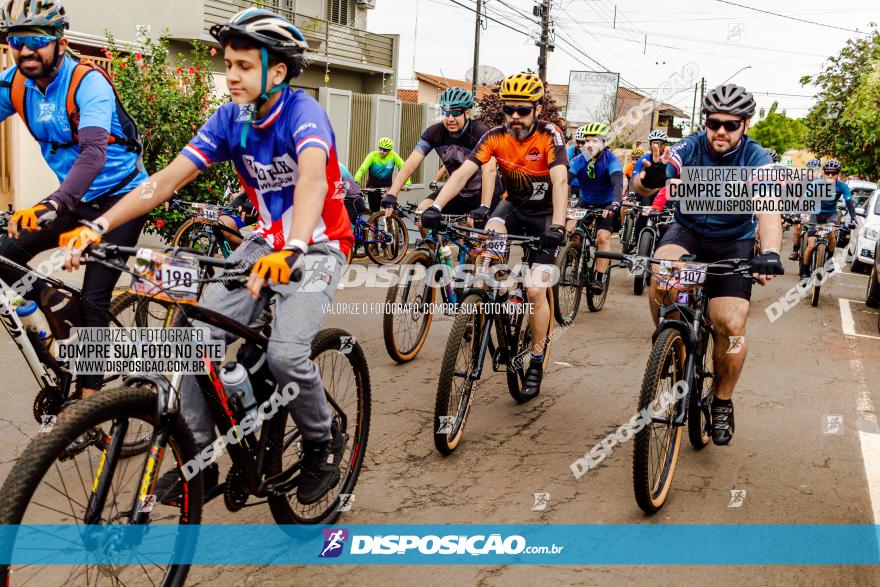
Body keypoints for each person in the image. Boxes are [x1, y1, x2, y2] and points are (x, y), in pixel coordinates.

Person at [58, 8, 354, 505]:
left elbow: (312, 179)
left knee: (285, 353)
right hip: (261, 242)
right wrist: (98, 225)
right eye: (228, 64)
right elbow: (165, 181)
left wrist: (296, 247)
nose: (231, 75)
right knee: (191, 339)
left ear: (277, 72)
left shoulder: (305, 115)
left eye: (244, 65)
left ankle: (323, 441)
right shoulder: (230, 118)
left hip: (319, 244)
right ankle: (200, 454)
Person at [0, 0, 148, 399]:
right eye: (16, 40)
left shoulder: (89, 82)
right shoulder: (15, 83)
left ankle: (90, 401)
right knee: (4, 253)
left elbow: (94, 153)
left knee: (96, 300)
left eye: (36, 40)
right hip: (74, 198)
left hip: (121, 201)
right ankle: (48, 309)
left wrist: (54, 203)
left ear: (60, 44)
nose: (26, 50)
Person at [632, 83, 785, 446]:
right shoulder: (689, 146)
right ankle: (670, 342)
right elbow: (647, 184)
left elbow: (768, 207)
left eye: (730, 125)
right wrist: (648, 180)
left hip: (733, 241)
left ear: (745, 125)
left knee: (729, 324)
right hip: (688, 231)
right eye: (714, 122)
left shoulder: (756, 158)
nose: (720, 131)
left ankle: (721, 401)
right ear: (706, 121)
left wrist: (772, 253)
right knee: (662, 273)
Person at [421, 72, 568, 399]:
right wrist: (437, 205)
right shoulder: (494, 136)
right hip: (513, 209)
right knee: (487, 255)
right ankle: (486, 311)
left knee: (534, 290)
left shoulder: (550, 136)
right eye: (509, 109)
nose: (515, 116)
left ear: (537, 109)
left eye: (523, 110)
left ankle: (536, 359)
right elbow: (462, 174)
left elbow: (559, 182)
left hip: (545, 217)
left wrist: (558, 225)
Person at [382, 87, 502, 222]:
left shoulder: (480, 132)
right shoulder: (434, 132)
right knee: (422, 215)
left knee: (481, 235)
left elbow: (489, 170)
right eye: (446, 112)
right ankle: (436, 244)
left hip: (484, 191)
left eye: (455, 112)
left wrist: (484, 206)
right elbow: (411, 164)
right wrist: (392, 194)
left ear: (467, 112)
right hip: (456, 189)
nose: (450, 118)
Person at [568, 122, 624, 294]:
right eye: (587, 141)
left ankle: (599, 277)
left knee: (603, 237)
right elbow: (564, 182)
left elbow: (617, 184)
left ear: (604, 143)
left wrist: (615, 203)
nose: (590, 145)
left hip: (606, 204)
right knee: (572, 231)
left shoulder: (611, 160)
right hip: (585, 202)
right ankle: (570, 264)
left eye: (595, 141)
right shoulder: (578, 160)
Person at [799, 158, 857, 279]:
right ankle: (804, 271)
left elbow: (849, 202)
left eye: (834, 173)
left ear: (838, 174)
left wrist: (853, 218)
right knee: (810, 245)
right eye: (828, 172)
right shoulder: (815, 184)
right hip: (815, 214)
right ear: (823, 172)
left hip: (831, 215)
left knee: (831, 233)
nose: (830, 175)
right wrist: (800, 214)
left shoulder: (842, 187)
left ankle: (829, 260)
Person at [354, 137, 409, 210]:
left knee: (389, 211)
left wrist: (408, 183)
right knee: (375, 213)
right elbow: (362, 169)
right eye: (380, 148)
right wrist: (356, 181)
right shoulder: (372, 155)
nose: (382, 151)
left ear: (390, 150)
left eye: (385, 150)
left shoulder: (393, 155)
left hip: (387, 188)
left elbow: (404, 167)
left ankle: (390, 220)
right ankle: (374, 221)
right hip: (373, 188)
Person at [789, 158, 822, 260]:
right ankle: (795, 250)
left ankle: (821, 248)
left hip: (817, 208)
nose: (813, 171)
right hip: (803, 208)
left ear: (819, 170)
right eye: (811, 169)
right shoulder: (802, 179)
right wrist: (793, 210)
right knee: (797, 228)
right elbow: (796, 197)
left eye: (816, 169)